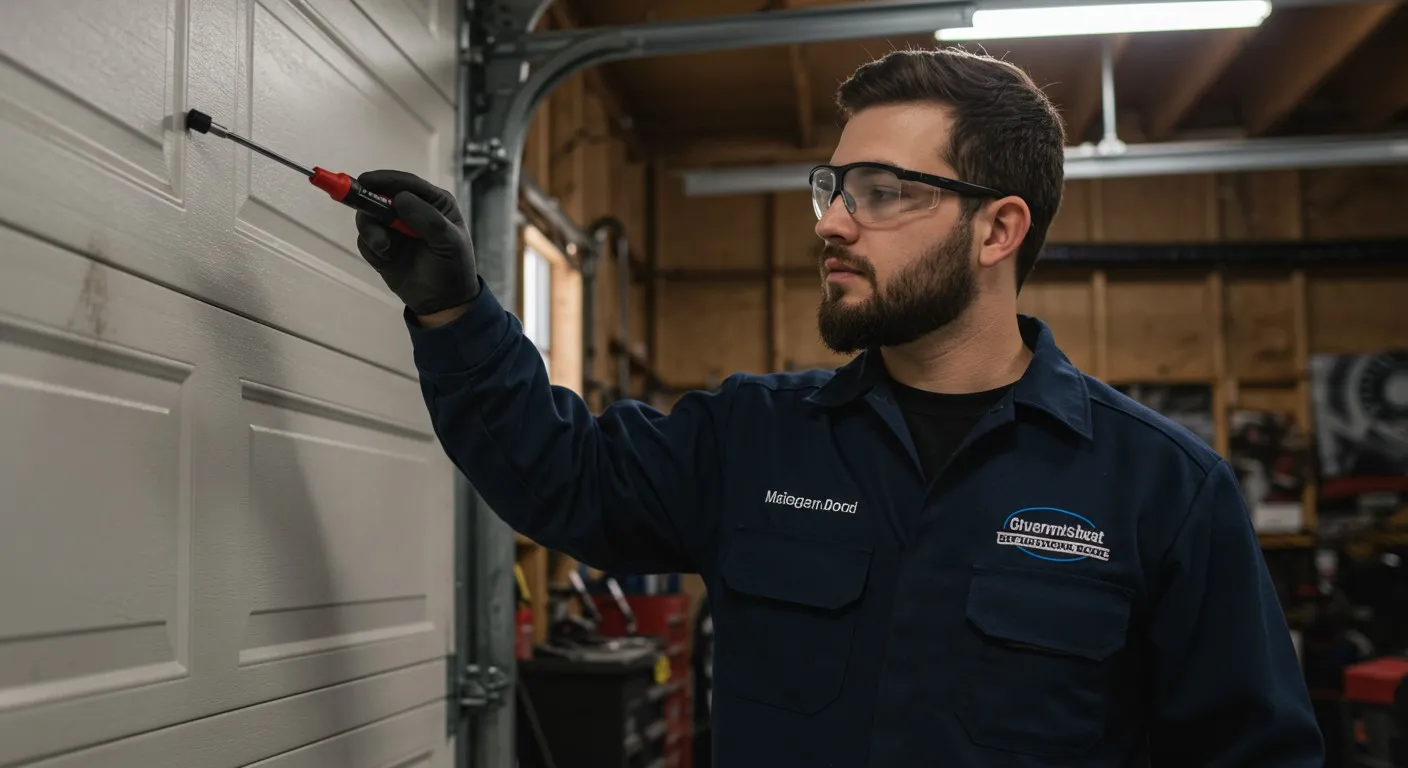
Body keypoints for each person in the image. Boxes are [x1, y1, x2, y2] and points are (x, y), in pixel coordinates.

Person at [351, 47, 1323, 768]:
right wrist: (452, 311)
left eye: (881, 192)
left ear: (997, 227)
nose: (831, 222)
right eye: (833, 187)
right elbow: (556, 473)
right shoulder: (755, 438)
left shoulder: (1161, 487)